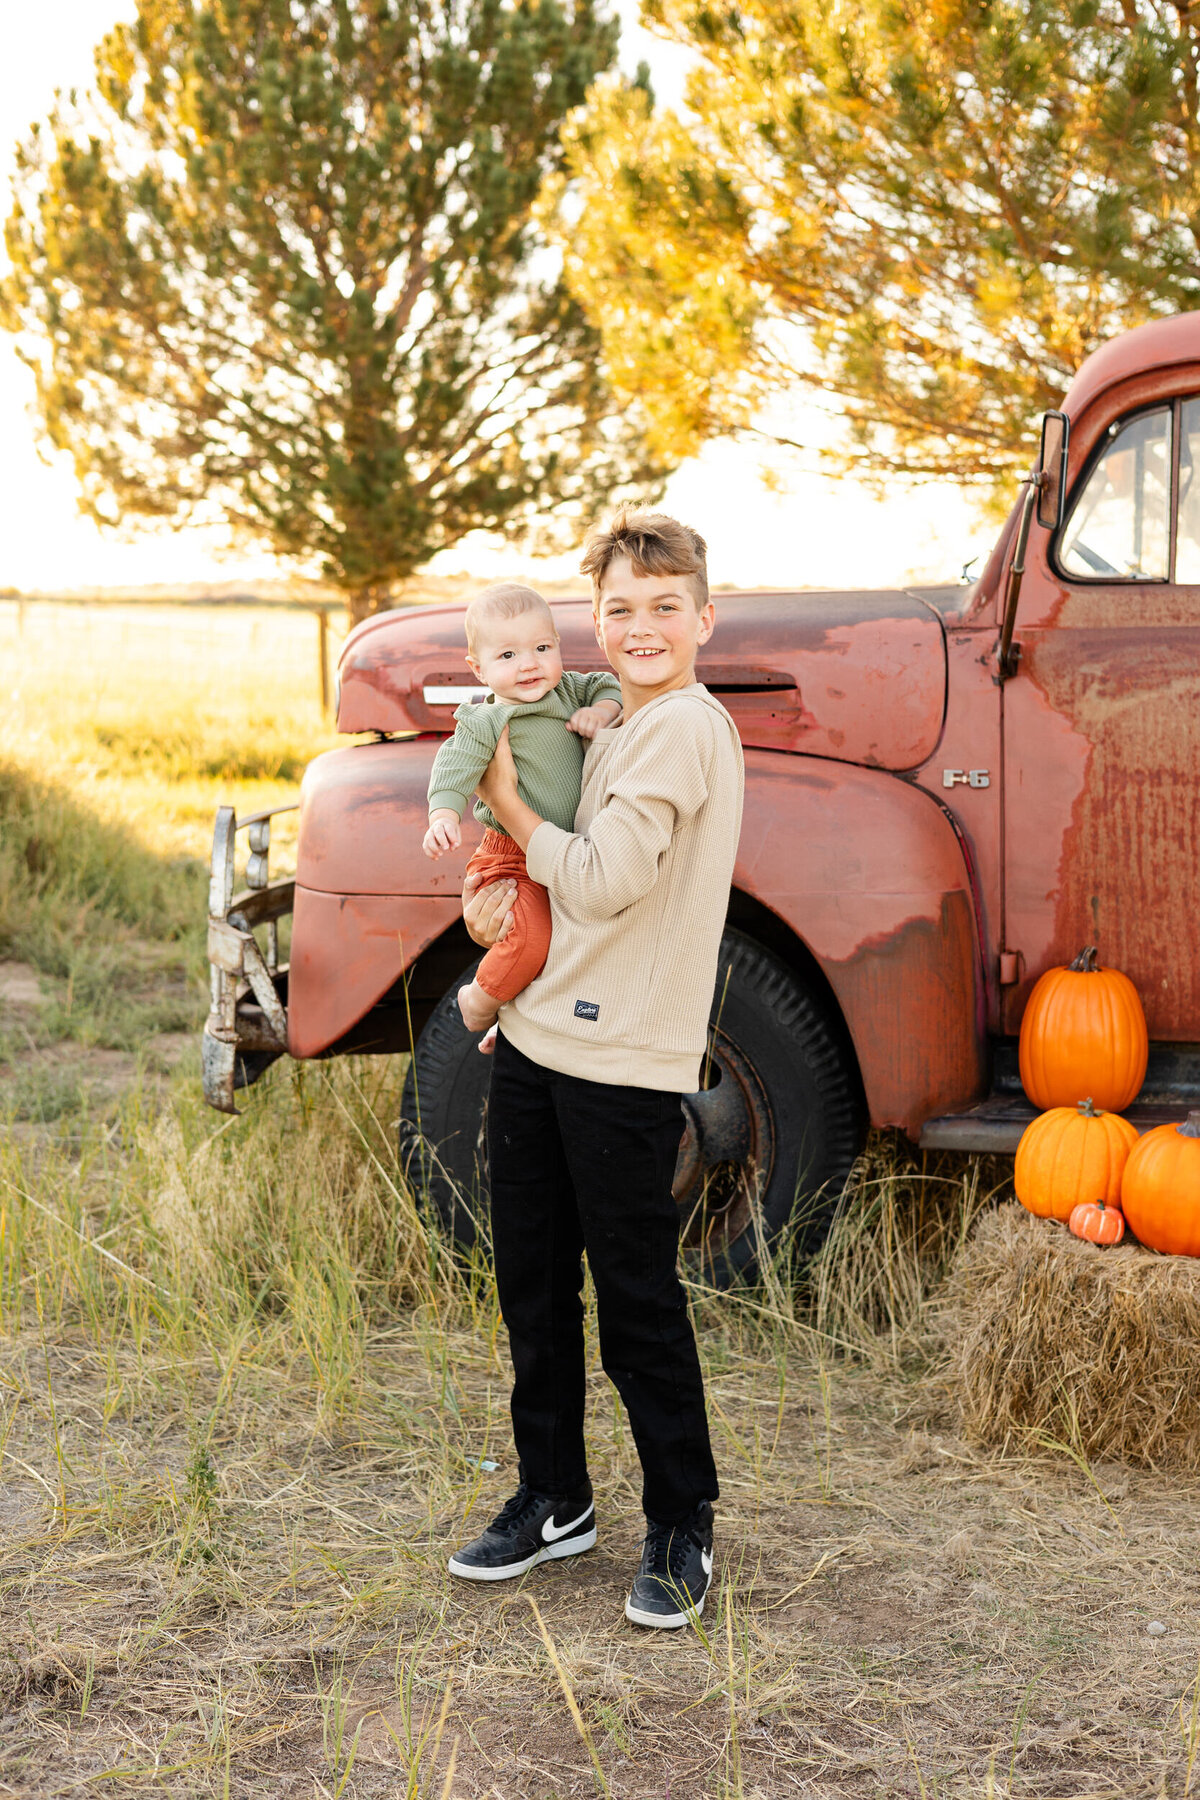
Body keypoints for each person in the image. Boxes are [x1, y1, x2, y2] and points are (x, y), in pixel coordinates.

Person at [445, 510, 745, 1630]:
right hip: (539, 1039)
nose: (642, 626)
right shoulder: (609, 719)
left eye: (666, 606)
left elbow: (606, 878)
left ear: (704, 618)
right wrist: (514, 992)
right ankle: (555, 1496)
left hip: (621, 1059)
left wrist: (504, 804)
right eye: (621, 608)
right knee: (531, 1284)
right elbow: (560, 898)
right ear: (596, 622)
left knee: (634, 1299)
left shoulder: (684, 730)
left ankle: (681, 1521)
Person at [422, 583, 622, 1035]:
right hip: (512, 856)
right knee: (530, 936)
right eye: (508, 655)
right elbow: (453, 764)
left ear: (558, 645)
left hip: (565, 850)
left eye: (542, 648)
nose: (529, 663)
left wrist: (603, 711)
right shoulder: (486, 720)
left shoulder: (569, 691)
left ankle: (524, 1017)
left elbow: (607, 684)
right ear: (478, 669)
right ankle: (481, 1000)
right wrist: (443, 815)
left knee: (569, 948)